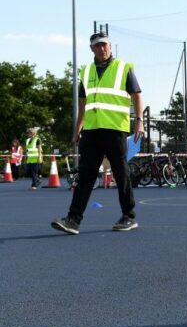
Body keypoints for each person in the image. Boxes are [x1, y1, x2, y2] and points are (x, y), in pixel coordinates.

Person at [52, 31, 144, 234]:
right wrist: (77, 129)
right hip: (92, 132)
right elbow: (83, 104)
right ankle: (73, 220)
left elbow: (136, 95)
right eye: (97, 46)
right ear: (91, 49)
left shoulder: (123, 68)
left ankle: (129, 216)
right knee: (85, 176)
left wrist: (139, 121)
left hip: (115, 130)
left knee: (121, 174)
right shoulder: (85, 71)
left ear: (110, 46)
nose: (102, 48)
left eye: (105, 45)